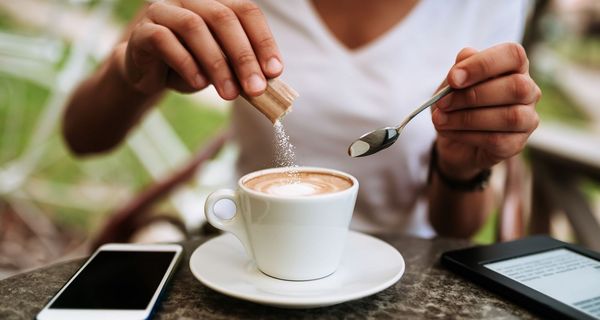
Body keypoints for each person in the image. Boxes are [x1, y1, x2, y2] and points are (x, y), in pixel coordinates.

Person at [63, 0, 540, 238]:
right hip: (246, 249)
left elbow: (457, 228)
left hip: (399, 266)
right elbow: (82, 136)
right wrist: (130, 75)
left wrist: (461, 168)